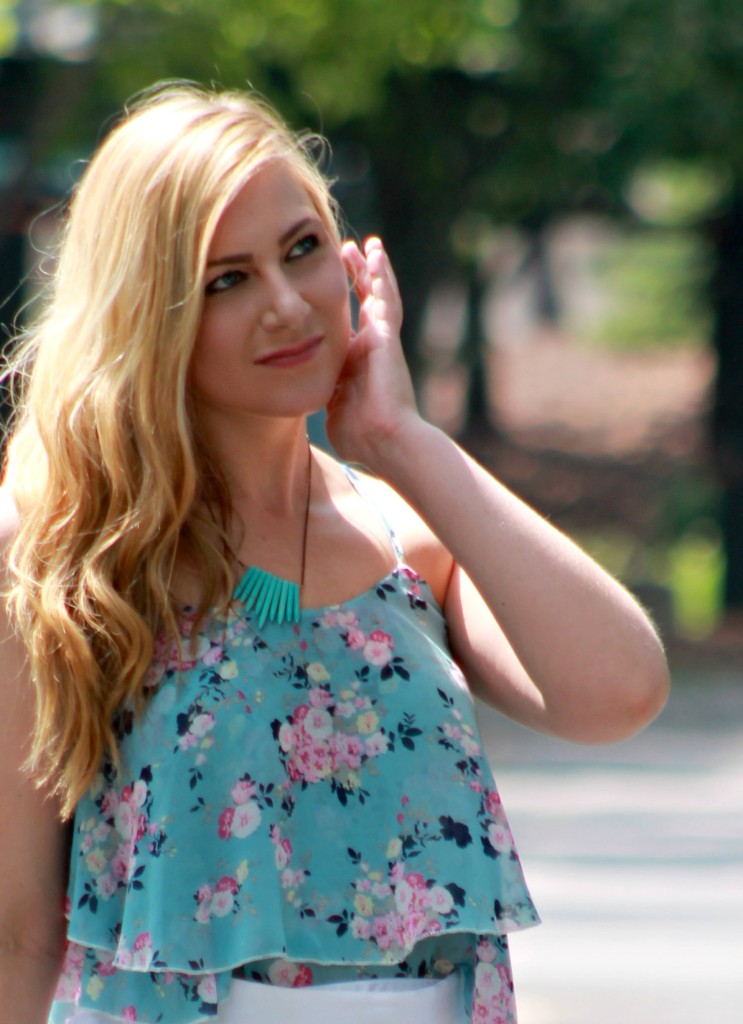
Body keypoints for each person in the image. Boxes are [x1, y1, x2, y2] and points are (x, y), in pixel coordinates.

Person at [0, 83, 670, 1024]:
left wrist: (404, 442)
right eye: (225, 280)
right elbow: (18, 931)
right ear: (150, 313)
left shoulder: (413, 540)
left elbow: (620, 692)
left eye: (301, 249)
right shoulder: (63, 553)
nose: (285, 305)